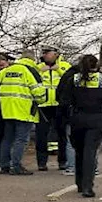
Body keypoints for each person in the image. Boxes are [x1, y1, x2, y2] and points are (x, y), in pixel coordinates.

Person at [58, 54, 102, 198]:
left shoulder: (73, 80)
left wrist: (65, 118)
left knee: (79, 151)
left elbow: (63, 101)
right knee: (90, 153)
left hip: (77, 119)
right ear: (96, 65)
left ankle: (80, 183)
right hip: (96, 118)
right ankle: (87, 186)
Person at [0, 53, 48, 175]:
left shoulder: (5, 71)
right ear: (32, 60)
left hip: (7, 110)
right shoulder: (31, 71)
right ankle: (16, 166)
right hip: (24, 110)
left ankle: (4, 165)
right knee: (21, 139)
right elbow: (38, 91)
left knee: (7, 138)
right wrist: (42, 100)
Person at [35, 45, 73, 173]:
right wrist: (42, 71)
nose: (45, 55)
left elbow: (71, 79)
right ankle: (41, 162)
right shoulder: (38, 67)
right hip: (43, 105)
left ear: (56, 54)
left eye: (48, 52)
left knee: (62, 134)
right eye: (44, 53)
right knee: (41, 134)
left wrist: (59, 71)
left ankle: (62, 161)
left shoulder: (65, 66)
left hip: (60, 105)